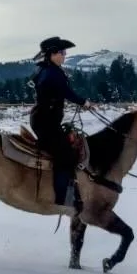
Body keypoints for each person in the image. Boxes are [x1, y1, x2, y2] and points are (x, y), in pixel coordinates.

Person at [29, 37, 92, 210]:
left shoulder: (46, 70)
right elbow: (66, 92)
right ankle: (63, 197)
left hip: (45, 120)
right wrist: (84, 102)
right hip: (46, 123)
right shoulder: (53, 73)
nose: (65, 56)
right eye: (62, 52)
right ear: (53, 54)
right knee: (66, 156)